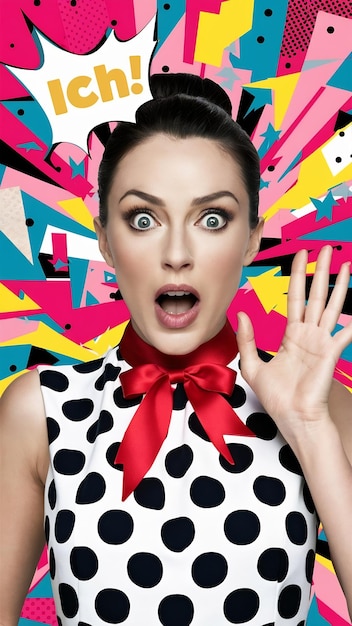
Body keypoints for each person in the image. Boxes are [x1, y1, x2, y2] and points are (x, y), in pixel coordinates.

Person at [0, 73, 351, 626]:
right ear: (106, 241)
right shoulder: (40, 410)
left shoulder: (318, 407)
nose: (178, 253)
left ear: (253, 239)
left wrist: (307, 426)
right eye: (143, 219)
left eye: (213, 219)